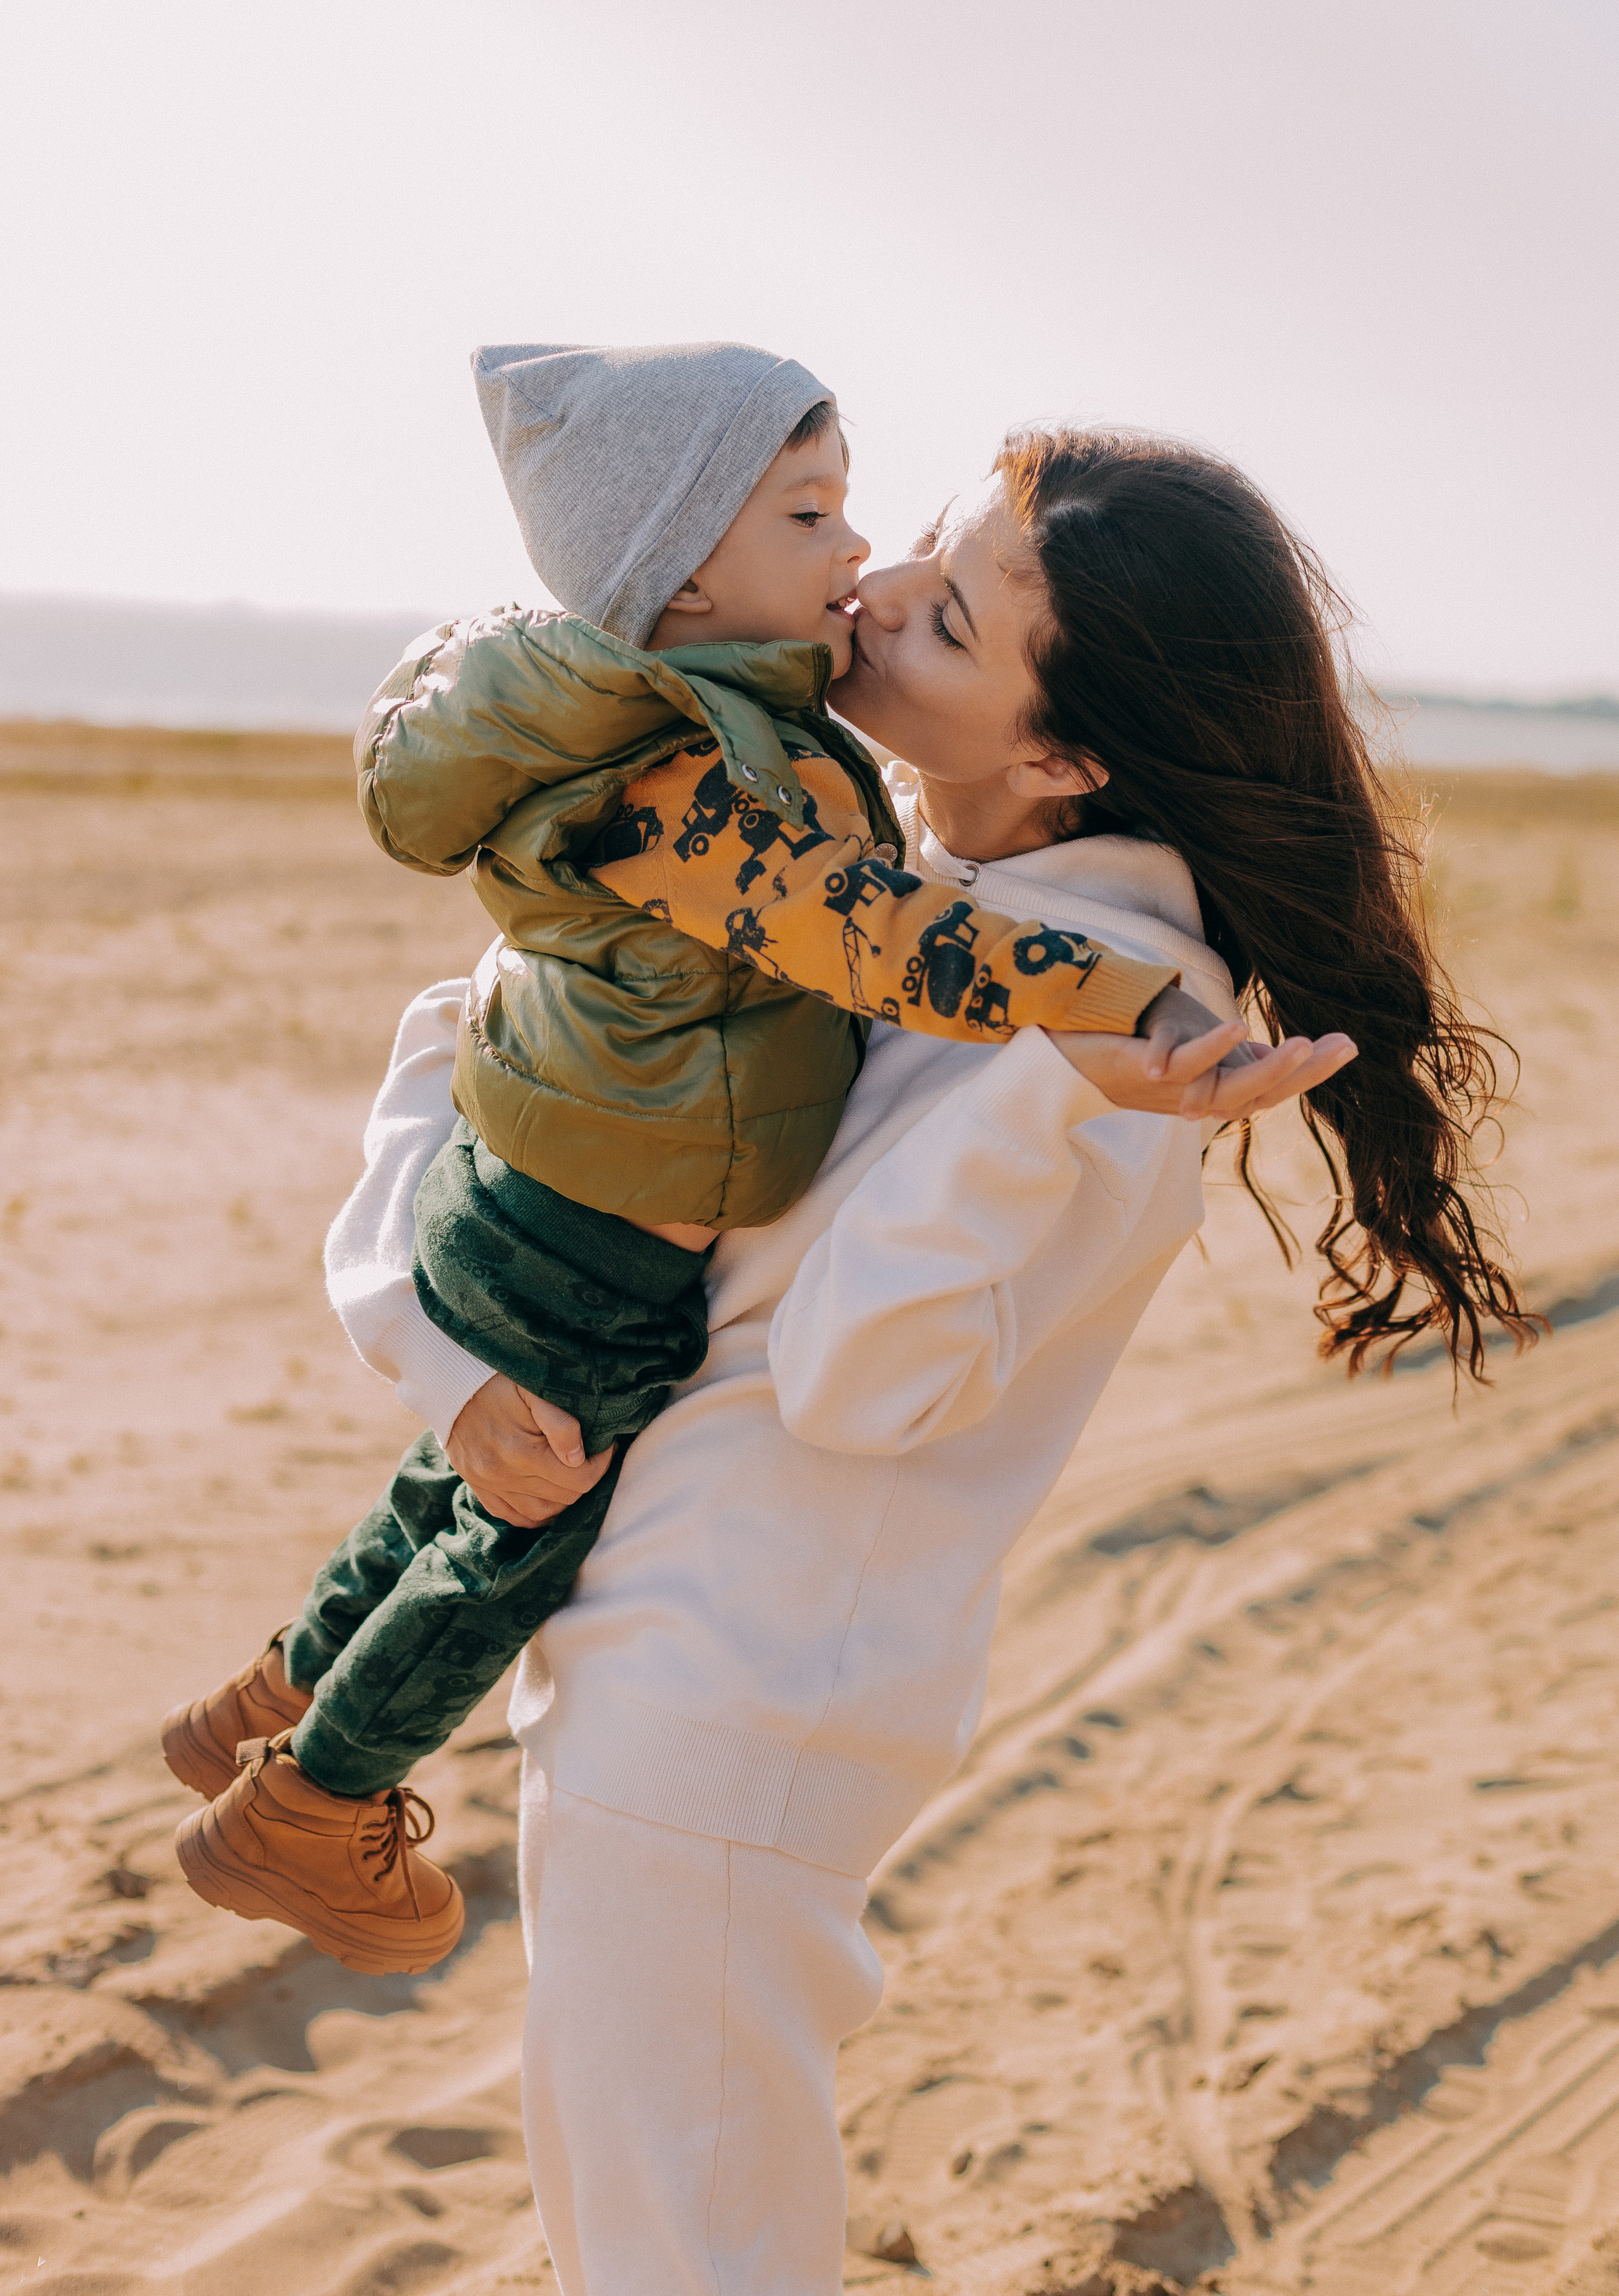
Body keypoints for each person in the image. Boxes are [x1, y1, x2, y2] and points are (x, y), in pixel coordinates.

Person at [298, 424, 1524, 2291]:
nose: (861, 598)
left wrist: (1043, 1082)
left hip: (734, 1694)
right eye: (907, 553)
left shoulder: (1107, 1008)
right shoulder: (883, 906)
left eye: (943, 619)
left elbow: (865, 1378)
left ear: (1064, 755)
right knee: (649, 2230)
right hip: (671, 1662)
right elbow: (516, 1084)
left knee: (679, 2254)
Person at [162, 344, 1253, 1975]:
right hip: (598, 1246)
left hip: (548, 1200)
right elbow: (885, 945)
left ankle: (279, 1686)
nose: (858, 568)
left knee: (459, 1478)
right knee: (512, 1526)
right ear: (682, 575)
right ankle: (315, 1804)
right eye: (814, 517)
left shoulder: (714, 737)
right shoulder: (700, 784)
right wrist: (1113, 1017)